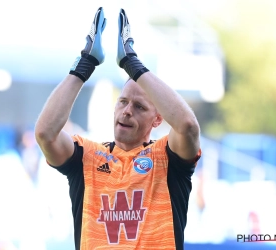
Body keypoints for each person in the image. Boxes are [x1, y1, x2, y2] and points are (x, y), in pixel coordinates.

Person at [35, 7, 201, 250]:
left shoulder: (167, 157)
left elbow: (187, 126)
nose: (126, 111)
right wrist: (85, 64)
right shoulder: (87, 156)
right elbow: (45, 133)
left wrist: (131, 64)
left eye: (139, 107)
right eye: (122, 102)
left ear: (157, 120)